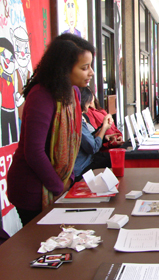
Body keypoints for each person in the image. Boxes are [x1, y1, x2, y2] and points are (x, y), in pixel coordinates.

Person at [6, 33, 95, 225]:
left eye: (90, 66)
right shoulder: (41, 96)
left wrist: (69, 179)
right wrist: (58, 186)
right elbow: (34, 152)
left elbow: (73, 141)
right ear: (64, 68)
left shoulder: (73, 93)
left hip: (60, 183)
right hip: (32, 190)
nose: (91, 73)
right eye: (84, 67)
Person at [73, 86, 113, 180]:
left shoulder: (82, 118)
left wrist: (103, 135)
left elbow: (88, 139)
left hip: (88, 159)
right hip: (83, 166)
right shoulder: (77, 121)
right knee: (113, 160)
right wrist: (103, 129)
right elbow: (93, 147)